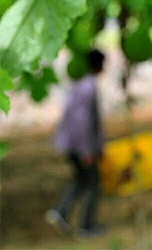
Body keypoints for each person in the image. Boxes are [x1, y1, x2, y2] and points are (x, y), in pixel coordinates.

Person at [45, 49, 106, 238]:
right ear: (100, 65)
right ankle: (85, 226)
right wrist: (87, 150)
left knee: (80, 179)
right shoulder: (89, 88)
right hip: (80, 146)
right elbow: (83, 122)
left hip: (70, 142)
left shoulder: (80, 84)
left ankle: (60, 211)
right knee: (92, 183)